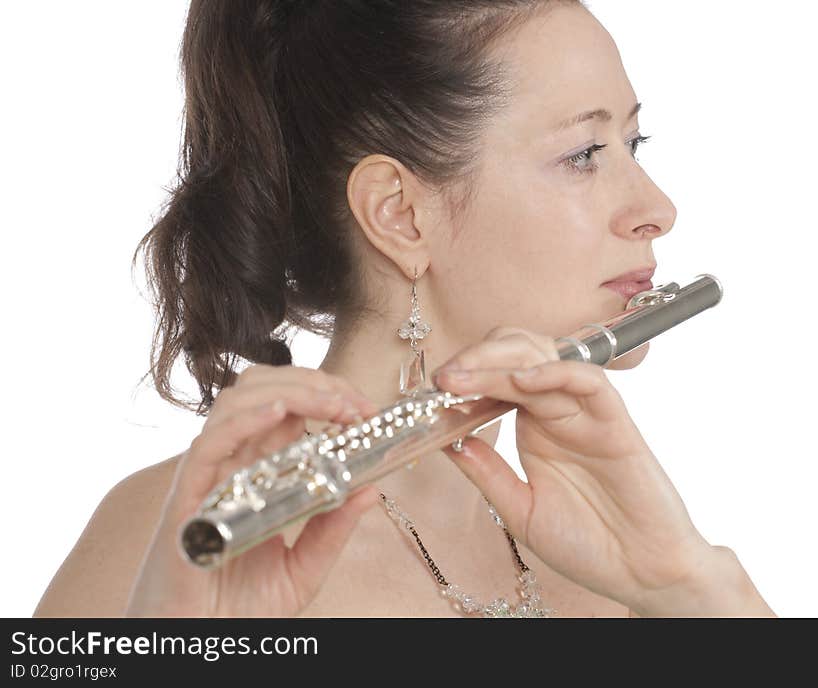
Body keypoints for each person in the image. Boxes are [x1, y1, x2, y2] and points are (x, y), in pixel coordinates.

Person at [34, 0, 775, 618]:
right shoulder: (177, 547)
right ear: (400, 215)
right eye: (585, 154)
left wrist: (693, 586)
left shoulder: (605, 542)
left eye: (633, 141)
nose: (658, 209)